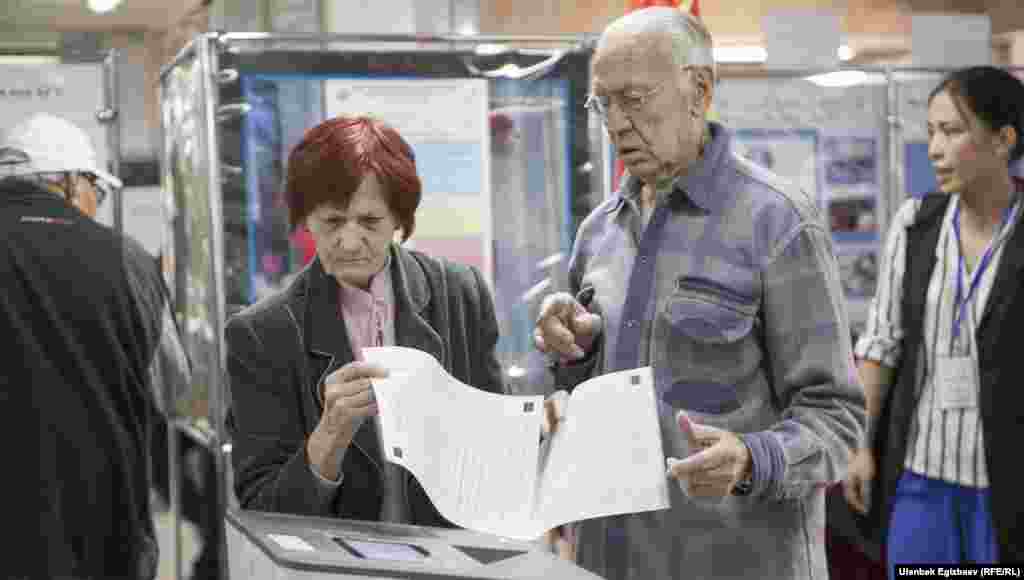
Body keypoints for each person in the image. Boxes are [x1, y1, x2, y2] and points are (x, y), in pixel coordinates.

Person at [533, 8, 865, 579]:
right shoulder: (598, 232)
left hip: (736, 561)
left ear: (700, 90)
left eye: (634, 99)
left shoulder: (778, 223)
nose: (616, 124)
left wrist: (752, 460)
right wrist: (577, 353)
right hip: (613, 558)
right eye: (602, 103)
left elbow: (837, 417)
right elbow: (592, 398)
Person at [225, 115, 503, 525]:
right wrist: (329, 437)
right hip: (334, 556)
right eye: (333, 221)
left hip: (452, 551)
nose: (351, 242)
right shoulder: (263, 334)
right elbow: (263, 508)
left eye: (370, 222)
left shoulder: (459, 294)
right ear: (307, 220)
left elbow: (496, 450)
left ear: (399, 219)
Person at [844, 66, 1024, 570]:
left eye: (952, 131)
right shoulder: (915, 224)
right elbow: (880, 345)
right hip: (920, 477)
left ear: (1003, 140)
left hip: (1005, 486)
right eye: (930, 132)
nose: (935, 149)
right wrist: (860, 445)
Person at [1, 112, 184, 579]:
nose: (96, 205)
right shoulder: (128, 260)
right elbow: (174, 390)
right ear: (67, 181)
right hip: (101, 529)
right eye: (96, 191)